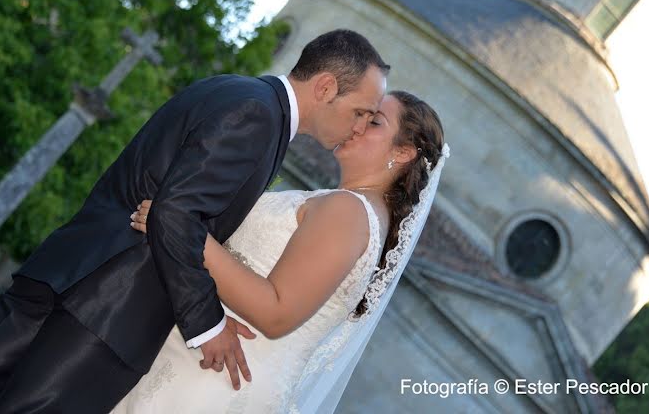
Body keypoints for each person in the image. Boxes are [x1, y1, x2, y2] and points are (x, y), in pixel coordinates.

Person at [0, 29, 389, 413]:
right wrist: (207, 325)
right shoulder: (258, 115)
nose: (359, 127)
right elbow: (175, 213)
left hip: (71, 276)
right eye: (361, 113)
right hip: (108, 311)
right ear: (326, 87)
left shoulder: (236, 91)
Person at [112, 90, 446, 414]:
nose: (357, 125)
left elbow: (276, 313)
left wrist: (181, 230)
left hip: (216, 376)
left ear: (403, 152)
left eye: (374, 122)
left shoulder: (349, 211)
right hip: (215, 365)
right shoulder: (356, 210)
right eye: (361, 115)